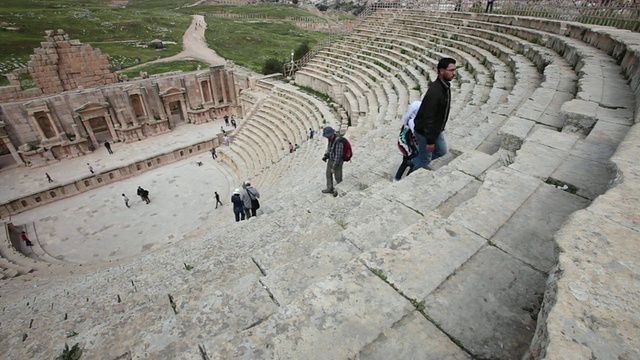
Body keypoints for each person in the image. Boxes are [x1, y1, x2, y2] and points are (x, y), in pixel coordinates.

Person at [412, 58, 456, 172]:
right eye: (451, 70)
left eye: (454, 70)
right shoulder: (435, 92)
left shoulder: (444, 86)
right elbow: (429, 118)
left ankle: (415, 160)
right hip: (424, 132)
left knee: (441, 151)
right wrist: (430, 141)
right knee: (425, 160)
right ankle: (412, 172)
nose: (454, 73)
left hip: (437, 129)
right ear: (441, 71)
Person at [395, 100, 421, 181]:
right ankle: (404, 178)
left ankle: (397, 178)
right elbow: (416, 135)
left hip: (406, 144)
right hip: (408, 145)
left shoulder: (408, 120)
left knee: (405, 161)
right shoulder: (412, 122)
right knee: (411, 161)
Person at [321, 126, 343, 196]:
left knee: (338, 177)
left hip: (337, 162)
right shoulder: (330, 140)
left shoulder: (338, 142)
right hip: (331, 159)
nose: (327, 137)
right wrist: (326, 155)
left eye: (328, 136)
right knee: (328, 174)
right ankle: (329, 188)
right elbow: (330, 149)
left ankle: (340, 191)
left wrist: (334, 167)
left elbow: (338, 156)